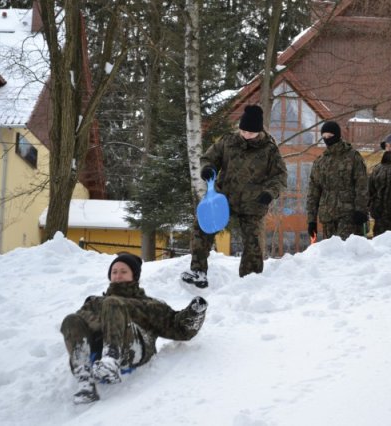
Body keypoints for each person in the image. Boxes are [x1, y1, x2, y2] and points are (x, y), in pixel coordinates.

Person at [61, 253, 208, 404]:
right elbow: (79, 326)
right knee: (71, 320)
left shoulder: (149, 305)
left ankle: (112, 358)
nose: (118, 276)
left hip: (135, 348)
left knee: (112, 303)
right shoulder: (94, 302)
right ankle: (85, 380)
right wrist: (100, 322)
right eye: (114, 272)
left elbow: (178, 328)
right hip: (97, 351)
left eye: (124, 272)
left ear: (134, 276)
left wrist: (194, 313)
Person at [182, 105, 287, 288]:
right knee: (202, 226)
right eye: (243, 130)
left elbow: (279, 176)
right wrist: (208, 168)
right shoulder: (228, 141)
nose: (246, 135)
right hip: (224, 198)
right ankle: (198, 271)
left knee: (253, 244)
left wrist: (269, 193)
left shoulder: (269, 150)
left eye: (250, 132)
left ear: (259, 131)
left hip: (254, 203)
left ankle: (249, 282)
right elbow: (208, 158)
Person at [306, 121, 369, 241]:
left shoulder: (352, 157)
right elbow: (313, 193)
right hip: (327, 218)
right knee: (331, 255)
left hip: (349, 216)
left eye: (329, 136)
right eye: (324, 137)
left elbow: (362, 185)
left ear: (337, 135)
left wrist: (361, 210)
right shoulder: (320, 162)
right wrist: (311, 220)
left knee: (346, 253)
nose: (327, 140)